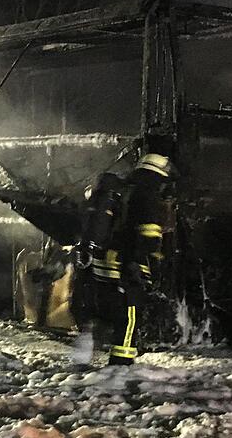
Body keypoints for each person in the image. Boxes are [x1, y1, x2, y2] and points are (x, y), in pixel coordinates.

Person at [71, 149, 173, 367]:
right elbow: (149, 237)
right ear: (158, 175)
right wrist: (150, 262)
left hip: (101, 263)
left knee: (98, 312)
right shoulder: (147, 196)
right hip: (126, 264)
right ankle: (121, 367)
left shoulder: (119, 191)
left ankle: (81, 358)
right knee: (129, 317)